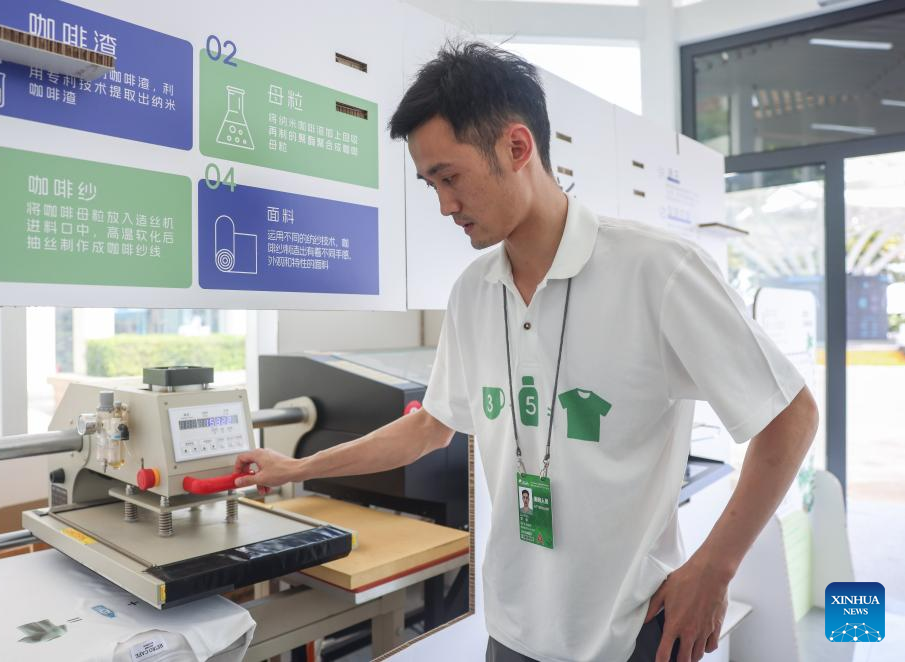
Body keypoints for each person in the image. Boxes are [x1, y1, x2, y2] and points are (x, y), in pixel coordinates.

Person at [234, 42, 819, 662]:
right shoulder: (473, 292)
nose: (444, 205)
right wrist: (295, 468)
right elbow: (429, 428)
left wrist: (714, 569)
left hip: (634, 630)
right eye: (431, 184)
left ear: (517, 148)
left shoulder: (658, 270)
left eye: (451, 177)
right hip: (513, 631)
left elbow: (791, 417)